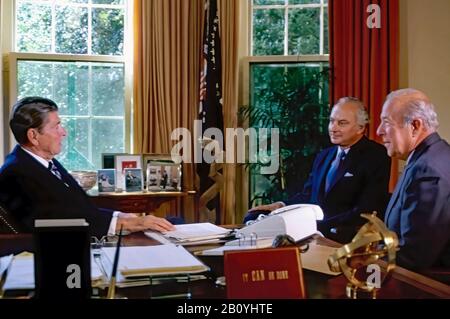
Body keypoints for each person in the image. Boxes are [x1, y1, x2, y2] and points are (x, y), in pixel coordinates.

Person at [0, 97, 175, 238]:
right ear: (33, 135)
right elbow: (58, 220)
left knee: (173, 224)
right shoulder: (17, 172)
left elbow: (79, 208)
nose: (64, 132)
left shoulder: (43, 162)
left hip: (80, 242)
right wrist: (129, 224)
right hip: (59, 257)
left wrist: (120, 216)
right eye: (56, 126)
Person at [247, 97, 391, 243]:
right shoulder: (324, 155)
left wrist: (317, 226)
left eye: (342, 123)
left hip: (343, 236)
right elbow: (307, 195)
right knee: (255, 217)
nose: (333, 128)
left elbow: (366, 209)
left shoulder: (376, 155)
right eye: (331, 121)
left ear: (361, 128)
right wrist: (280, 206)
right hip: (312, 229)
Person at [377, 88, 450, 270]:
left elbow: (414, 256)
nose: (379, 131)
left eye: (386, 122)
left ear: (415, 126)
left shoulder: (428, 170)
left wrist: (365, 263)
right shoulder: (434, 154)